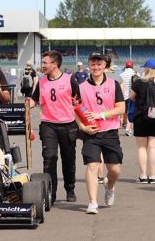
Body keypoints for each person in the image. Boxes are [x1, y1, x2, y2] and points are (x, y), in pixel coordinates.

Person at [76, 51, 125, 215]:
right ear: (88, 65)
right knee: (92, 165)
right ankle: (92, 202)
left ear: (105, 66)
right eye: (93, 64)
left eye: (99, 64)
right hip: (91, 133)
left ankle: (109, 187)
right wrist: (83, 127)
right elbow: (75, 110)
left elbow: (121, 108)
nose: (96, 67)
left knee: (115, 170)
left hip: (110, 132)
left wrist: (101, 115)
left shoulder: (113, 84)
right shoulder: (81, 87)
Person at [29, 50, 80, 205]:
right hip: (48, 125)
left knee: (68, 159)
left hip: (68, 125)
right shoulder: (42, 81)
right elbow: (34, 100)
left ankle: (70, 188)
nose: (42, 65)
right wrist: (26, 105)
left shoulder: (70, 79)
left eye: (45, 63)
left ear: (55, 64)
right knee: (49, 158)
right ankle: (51, 192)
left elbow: (78, 103)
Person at [130, 58, 155, 184]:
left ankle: (143, 175)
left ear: (146, 69)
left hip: (142, 116)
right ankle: (152, 176)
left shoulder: (139, 82)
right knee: (154, 146)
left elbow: (131, 97)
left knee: (142, 147)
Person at [120, 60, 135, 136]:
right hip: (131, 95)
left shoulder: (121, 74)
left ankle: (123, 123)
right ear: (132, 66)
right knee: (130, 112)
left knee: (124, 111)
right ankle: (128, 128)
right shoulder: (134, 74)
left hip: (123, 96)